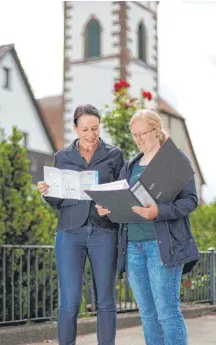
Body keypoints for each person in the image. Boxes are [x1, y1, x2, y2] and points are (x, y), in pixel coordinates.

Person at [96, 109, 200, 345]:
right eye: (135, 135)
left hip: (162, 246)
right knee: (148, 315)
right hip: (133, 247)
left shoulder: (175, 160)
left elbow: (190, 200)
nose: (139, 139)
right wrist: (109, 209)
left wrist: (159, 211)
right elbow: (125, 200)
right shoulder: (131, 165)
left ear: (156, 130)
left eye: (143, 133)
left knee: (167, 313)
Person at [37, 104, 125, 345]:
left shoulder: (114, 155)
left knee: (105, 300)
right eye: (85, 129)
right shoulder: (62, 157)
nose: (90, 134)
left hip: (104, 231)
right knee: (70, 300)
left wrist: (113, 207)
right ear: (75, 128)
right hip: (70, 233)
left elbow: (124, 195)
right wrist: (46, 192)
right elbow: (57, 202)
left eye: (95, 128)